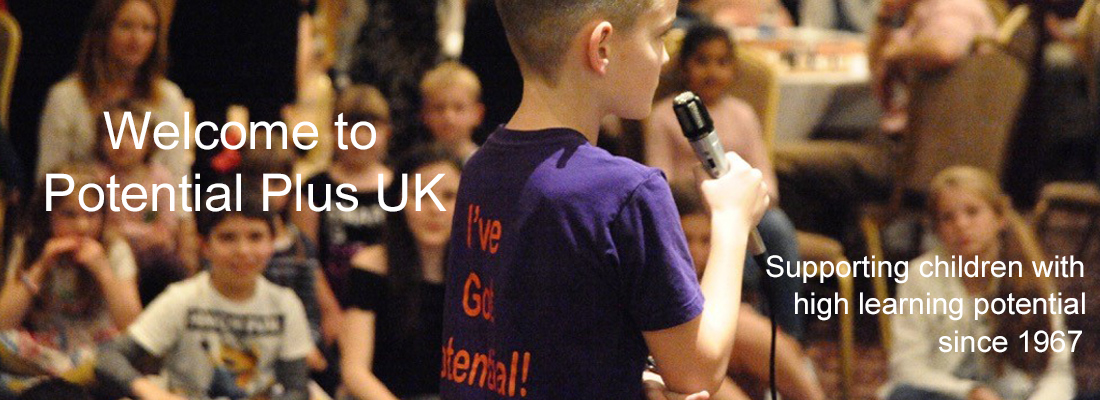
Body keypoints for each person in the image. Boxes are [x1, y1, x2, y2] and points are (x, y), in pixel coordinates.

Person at [440, 0, 770, 398]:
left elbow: (534, 339)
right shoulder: (626, 192)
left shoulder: (479, 168)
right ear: (601, 48)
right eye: (659, 35)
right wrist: (732, 221)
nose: (665, 59)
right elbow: (697, 370)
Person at [648, 24, 804, 339]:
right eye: (702, 61)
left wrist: (748, 202)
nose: (712, 72)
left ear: (733, 68)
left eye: (722, 62)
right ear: (685, 66)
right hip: (690, 213)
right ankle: (737, 323)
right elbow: (659, 182)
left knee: (777, 227)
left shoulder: (743, 114)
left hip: (745, 210)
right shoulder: (665, 115)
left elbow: (767, 181)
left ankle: (788, 337)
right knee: (723, 231)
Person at [95, 190, 313, 400]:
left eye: (255, 237)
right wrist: (152, 392)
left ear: (271, 243)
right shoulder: (182, 299)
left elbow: (296, 389)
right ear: (205, 246)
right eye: (228, 238)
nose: (243, 251)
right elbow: (109, 358)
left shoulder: (285, 304)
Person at [882, 166, 1075, 400]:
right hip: (949, 393)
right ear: (937, 229)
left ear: (1000, 217)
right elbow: (906, 368)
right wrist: (969, 392)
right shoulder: (920, 275)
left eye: (972, 212)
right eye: (948, 217)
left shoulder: (1029, 274)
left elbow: (1057, 370)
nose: (961, 225)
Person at [671, 182, 824, 400]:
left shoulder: (725, 268)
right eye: (687, 239)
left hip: (712, 359)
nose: (696, 251)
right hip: (671, 361)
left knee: (749, 329)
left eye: (705, 240)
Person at [0, 164, 142, 397]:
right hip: (45, 351)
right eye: (69, 214)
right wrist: (41, 265)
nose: (82, 226)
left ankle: (49, 389)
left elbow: (134, 326)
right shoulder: (29, 245)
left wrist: (102, 270)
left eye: (91, 214)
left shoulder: (115, 249)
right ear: (48, 215)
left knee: (119, 361)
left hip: (95, 351)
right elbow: (4, 322)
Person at [340, 145, 461, 400]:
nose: (435, 209)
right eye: (422, 195)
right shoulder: (370, 266)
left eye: (448, 196)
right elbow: (354, 371)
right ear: (397, 200)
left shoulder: (481, 271)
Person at [37, 0, 189, 180]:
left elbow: (178, 184)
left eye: (147, 29)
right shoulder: (66, 97)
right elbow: (47, 181)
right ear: (102, 32)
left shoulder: (169, 97)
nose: (137, 39)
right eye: (125, 26)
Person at [292, 85, 393, 308]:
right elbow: (305, 258)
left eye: (369, 129)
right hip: (329, 303)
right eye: (349, 128)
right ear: (332, 130)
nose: (359, 138)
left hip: (387, 304)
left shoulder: (400, 187)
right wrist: (329, 311)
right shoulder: (313, 189)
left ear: (387, 132)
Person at [94, 102, 191, 299]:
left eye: (133, 134)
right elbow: (102, 229)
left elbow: (166, 229)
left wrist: (125, 233)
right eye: (113, 133)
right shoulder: (98, 178)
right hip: (111, 255)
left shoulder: (161, 177)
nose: (122, 142)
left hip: (152, 258)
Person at [868, 0, 996, 133]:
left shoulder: (953, 5)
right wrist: (885, 15)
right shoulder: (920, 8)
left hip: (951, 137)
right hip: (925, 130)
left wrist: (894, 53)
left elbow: (945, 50)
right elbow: (877, 67)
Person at [420, 62, 485, 163]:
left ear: (478, 113)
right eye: (439, 108)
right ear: (425, 114)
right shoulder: (416, 167)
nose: (448, 117)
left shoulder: (488, 165)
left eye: (459, 108)